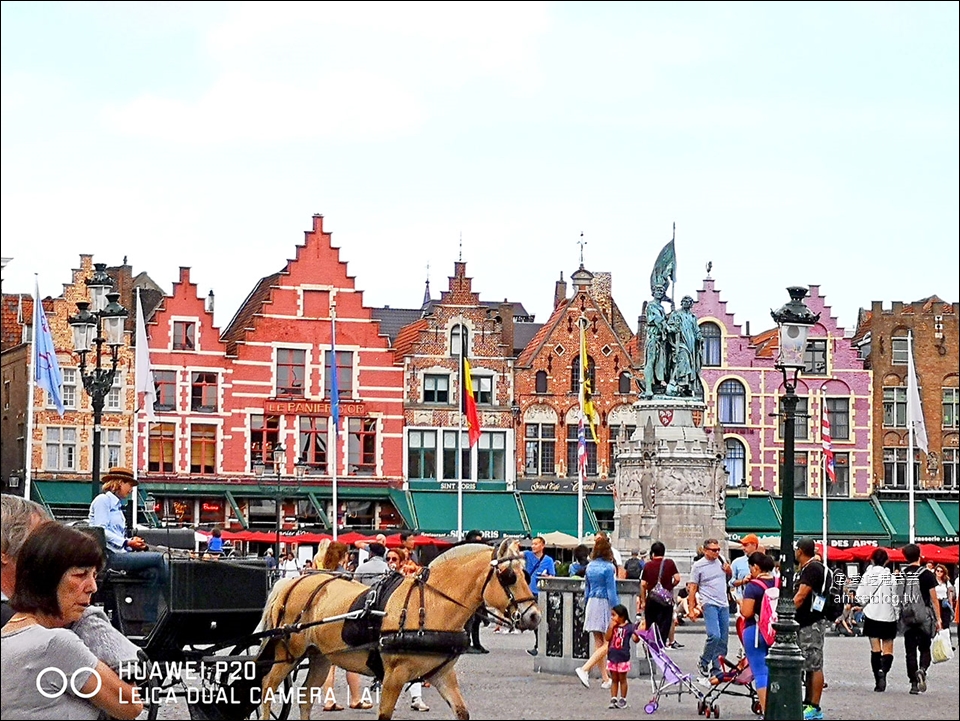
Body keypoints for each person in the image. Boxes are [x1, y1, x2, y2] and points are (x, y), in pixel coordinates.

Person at [1, 522, 143, 720]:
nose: (92, 587)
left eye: (94, 575)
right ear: (46, 577)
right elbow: (131, 705)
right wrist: (92, 624)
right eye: (80, 575)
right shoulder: (55, 644)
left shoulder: (8, 637)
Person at [87, 466, 167, 625]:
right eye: (129, 485)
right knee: (160, 558)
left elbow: (115, 535)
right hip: (110, 557)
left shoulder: (116, 506)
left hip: (120, 553)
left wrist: (133, 545)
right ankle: (170, 607)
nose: (131, 490)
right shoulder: (103, 501)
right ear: (119, 483)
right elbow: (100, 530)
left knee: (153, 572)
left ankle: (147, 619)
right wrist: (126, 542)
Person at [316, 541, 370, 711]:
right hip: (342, 619)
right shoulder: (344, 575)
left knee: (328, 664)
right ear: (343, 556)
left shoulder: (321, 571)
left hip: (323, 617)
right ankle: (355, 698)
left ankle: (329, 700)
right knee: (351, 660)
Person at [385, 546, 431, 711]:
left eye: (394, 559)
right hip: (387, 626)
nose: (391, 562)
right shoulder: (385, 577)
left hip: (409, 625)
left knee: (412, 662)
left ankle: (416, 698)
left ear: (402, 561)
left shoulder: (411, 574)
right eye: (388, 559)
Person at [575, 535, 619, 690]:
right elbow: (611, 591)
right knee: (610, 641)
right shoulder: (609, 568)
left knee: (598, 642)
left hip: (592, 602)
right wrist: (617, 609)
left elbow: (586, 590)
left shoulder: (590, 566)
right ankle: (585, 668)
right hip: (603, 602)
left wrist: (587, 604)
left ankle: (605, 678)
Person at [687, 538, 732, 683]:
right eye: (713, 550)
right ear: (705, 550)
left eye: (718, 549)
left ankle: (717, 666)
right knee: (714, 635)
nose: (717, 552)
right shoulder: (698, 566)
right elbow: (693, 588)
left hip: (723, 602)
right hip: (709, 602)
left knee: (723, 638)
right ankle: (704, 660)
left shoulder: (721, 559)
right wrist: (692, 608)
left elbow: (729, 576)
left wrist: (728, 570)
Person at [793, 538, 828, 720]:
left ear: (800, 551)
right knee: (808, 663)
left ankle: (814, 706)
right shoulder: (810, 568)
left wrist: (784, 613)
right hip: (808, 621)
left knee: (814, 664)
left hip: (811, 622)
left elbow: (801, 596)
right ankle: (808, 703)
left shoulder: (813, 568)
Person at [899, 543, 940, 695]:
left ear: (905, 557)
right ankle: (922, 669)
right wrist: (939, 619)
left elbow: (898, 596)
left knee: (910, 651)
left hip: (908, 617)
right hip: (924, 616)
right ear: (919, 555)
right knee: (924, 648)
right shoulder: (927, 574)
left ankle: (913, 684)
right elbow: (934, 598)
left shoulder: (902, 574)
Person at [739, 551, 777, 714]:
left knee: (761, 672)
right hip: (776, 631)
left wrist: (740, 603)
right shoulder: (779, 582)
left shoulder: (753, 586)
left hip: (755, 631)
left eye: (751, 568)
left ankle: (767, 711)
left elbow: (746, 612)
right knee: (777, 671)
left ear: (756, 567)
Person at [855, 547, 897, 692]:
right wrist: (897, 614)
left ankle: (878, 680)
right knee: (888, 648)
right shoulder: (890, 577)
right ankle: (883, 672)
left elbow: (860, 597)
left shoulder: (868, 576)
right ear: (887, 561)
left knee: (875, 649)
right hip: (889, 615)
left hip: (872, 614)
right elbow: (895, 598)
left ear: (872, 560)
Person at [638, 541, 681, 648]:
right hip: (666, 600)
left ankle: (651, 645)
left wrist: (643, 600)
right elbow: (677, 578)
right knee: (664, 624)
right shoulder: (670, 563)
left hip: (652, 599)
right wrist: (669, 587)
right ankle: (660, 646)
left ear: (653, 553)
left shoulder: (648, 565)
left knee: (651, 623)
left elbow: (643, 584)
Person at [665, 295, 704, 397]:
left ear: (691, 304)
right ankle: (679, 383)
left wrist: (699, 336)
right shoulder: (676, 314)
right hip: (680, 342)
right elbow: (669, 326)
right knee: (683, 360)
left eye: (689, 301)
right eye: (685, 301)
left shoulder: (693, 317)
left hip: (691, 345)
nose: (687, 303)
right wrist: (673, 328)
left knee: (691, 365)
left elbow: (696, 330)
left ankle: (687, 387)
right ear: (681, 303)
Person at [604, 604, 640, 709]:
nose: (612, 617)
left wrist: (638, 632)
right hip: (612, 656)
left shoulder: (629, 627)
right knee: (614, 678)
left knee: (622, 679)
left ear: (622, 616)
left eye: (614, 615)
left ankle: (623, 698)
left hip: (623, 657)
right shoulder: (613, 627)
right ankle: (613, 698)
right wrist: (610, 628)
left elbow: (635, 639)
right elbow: (607, 638)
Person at [460, 530, 490, 654]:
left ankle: (477, 644)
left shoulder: (478, 556)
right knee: (468, 620)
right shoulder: (464, 554)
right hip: (466, 592)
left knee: (477, 619)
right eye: (477, 540)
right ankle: (466, 644)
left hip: (477, 591)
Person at [642, 283, 669, 398]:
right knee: (650, 361)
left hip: (660, 340)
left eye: (662, 290)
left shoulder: (662, 308)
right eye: (657, 290)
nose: (659, 292)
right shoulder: (651, 305)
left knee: (661, 363)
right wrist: (667, 326)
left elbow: (664, 320)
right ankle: (648, 388)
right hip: (653, 338)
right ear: (653, 292)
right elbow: (658, 320)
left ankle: (659, 383)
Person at [729, 534, 761, 606]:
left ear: (754, 545)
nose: (743, 548)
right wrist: (743, 581)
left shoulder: (764, 561)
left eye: (746, 545)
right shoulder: (737, 562)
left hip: (760, 601)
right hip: (742, 601)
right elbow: (730, 582)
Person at [933, 564, 954, 633]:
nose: (939, 573)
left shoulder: (946, 581)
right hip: (935, 602)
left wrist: (951, 604)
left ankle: (946, 639)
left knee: (945, 623)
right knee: (936, 623)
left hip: (944, 602)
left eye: (941, 571)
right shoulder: (932, 581)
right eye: (937, 571)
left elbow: (950, 592)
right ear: (935, 571)